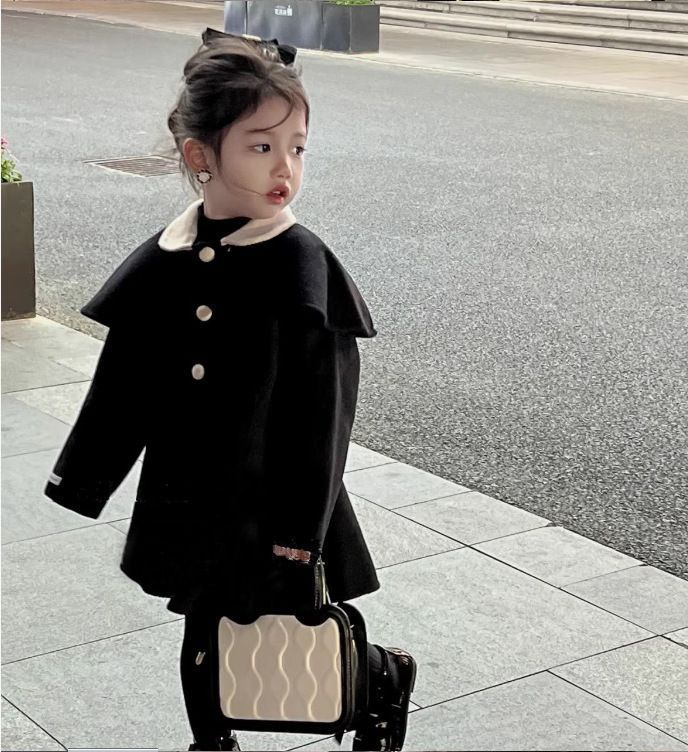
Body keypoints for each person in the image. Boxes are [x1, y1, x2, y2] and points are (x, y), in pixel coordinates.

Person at [43, 28, 416, 752]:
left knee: (300, 627)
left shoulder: (303, 267)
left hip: (279, 504)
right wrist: (82, 478)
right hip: (188, 497)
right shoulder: (166, 260)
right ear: (199, 156)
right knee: (205, 629)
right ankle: (211, 744)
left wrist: (298, 541)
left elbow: (324, 422)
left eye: (298, 148)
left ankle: (382, 678)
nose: (285, 167)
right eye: (262, 145)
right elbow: (123, 386)